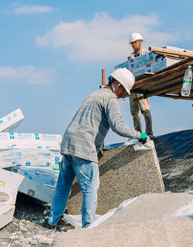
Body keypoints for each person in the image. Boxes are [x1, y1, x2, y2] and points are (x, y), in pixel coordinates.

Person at [47, 68, 148, 229]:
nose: (123, 96)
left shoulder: (94, 95)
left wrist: (99, 143)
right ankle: (89, 227)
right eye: (123, 91)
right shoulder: (110, 98)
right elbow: (117, 125)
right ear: (117, 84)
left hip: (69, 142)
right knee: (91, 188)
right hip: (84, 145)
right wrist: (139, 135)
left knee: (63, 185)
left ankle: (53, 220)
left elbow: (91, 122)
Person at [127, 32, 154, 138]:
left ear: (140, 42)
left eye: (135, 42)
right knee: (134, 112)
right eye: (132, 43)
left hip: (142, 84)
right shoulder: (130, 57)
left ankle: (150, 134)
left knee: (145, 110)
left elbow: (149, 66)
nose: (133, 45)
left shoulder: (146, 54)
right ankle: (139, 135)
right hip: (132, 85)